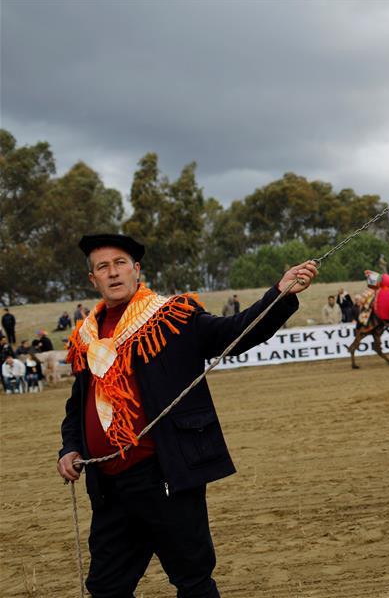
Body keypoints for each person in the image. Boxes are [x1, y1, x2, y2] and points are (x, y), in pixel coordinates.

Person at [56, 233, 317, 597]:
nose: (112, 273)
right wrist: (69, 447)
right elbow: (78, 406)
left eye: (120, 264)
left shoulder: (171, 317)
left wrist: (281, 293)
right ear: (93, 279)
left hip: (166, 477)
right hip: (109, 488)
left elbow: (235, 332)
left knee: (192, 580)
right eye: (103, 267)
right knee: (105, 588)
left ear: (136, 270)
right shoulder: (86, 338)